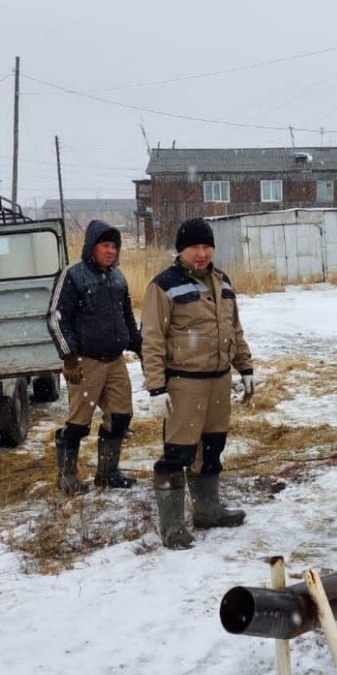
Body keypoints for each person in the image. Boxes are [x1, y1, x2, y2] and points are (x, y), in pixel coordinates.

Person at [141, 217, 255, 549]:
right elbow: (152, 339)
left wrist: (245, 368)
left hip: (219, 382)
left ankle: (208, 510)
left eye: (207, 247)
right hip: (184, 384)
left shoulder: (223, 281)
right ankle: (173, 526)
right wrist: (156, 388)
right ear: (182, 251)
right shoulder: (164, 285)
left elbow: (235, 330)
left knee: (212, 449)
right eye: (195, 248)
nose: (202, 254)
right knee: (177, 455)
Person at [46, 219, 142, 494]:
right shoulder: (73, 275)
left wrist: (138, 346)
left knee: (121, 417)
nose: (110, 251)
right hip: (84, 362)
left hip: (115, 360)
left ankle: (108, 473)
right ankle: (67, 478)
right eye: (105, 245)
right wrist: (69, 357)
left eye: (114, 246)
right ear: (92, 247)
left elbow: (127, 317)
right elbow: (56, 319)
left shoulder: (118, 277)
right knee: (78, 424)